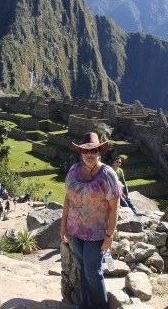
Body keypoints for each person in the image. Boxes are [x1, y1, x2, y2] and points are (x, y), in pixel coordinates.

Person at [60, 132, 122, 309]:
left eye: (93, 150)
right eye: (85, 151)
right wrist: (63, 225)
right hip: (75, 230)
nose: (89, 154)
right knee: (82, 268)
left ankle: (99, 306)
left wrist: (109, 235)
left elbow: (114, 208)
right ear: (80, 152)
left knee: (93, 272)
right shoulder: (73, 171)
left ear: (99, 152)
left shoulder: (107, 175)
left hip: (96, 233)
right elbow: (67, 198)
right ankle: (85, 304)